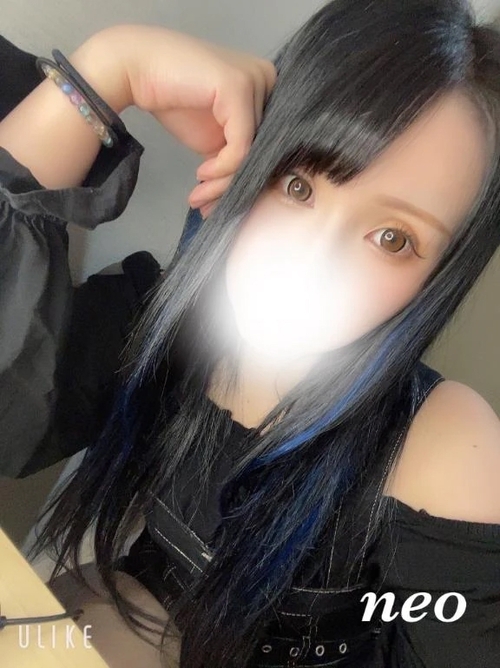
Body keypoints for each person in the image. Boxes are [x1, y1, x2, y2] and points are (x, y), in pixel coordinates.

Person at [2, 1, 500, 666]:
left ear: (438, 277)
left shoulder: (446, 448)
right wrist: (104, 73)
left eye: (392, 238)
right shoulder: (165, 323)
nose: (311, 260)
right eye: (297, 185)